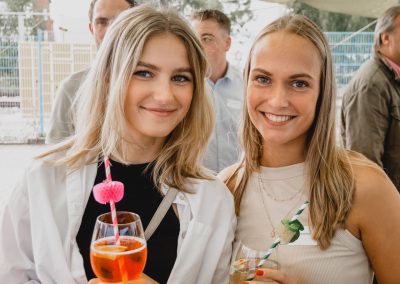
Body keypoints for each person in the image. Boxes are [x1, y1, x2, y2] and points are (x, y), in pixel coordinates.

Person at [0, 6, 236, 284]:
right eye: (144, 73)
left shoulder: (213, 200)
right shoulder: (43, 178)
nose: (164, 94)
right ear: (109, 77)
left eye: (180, 78)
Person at [219, 14, 400, 283]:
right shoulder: (225, 188)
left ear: (322, 92)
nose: (278, 100)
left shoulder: (366, 187)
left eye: (299, 83)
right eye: (263, 79)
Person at [46, 0, 136, 144]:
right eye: (101, 22)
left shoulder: (154, 86)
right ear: (91, 28)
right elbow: (55, 158)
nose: (111, 30)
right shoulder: (71, 89)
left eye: (121, 21)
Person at [341, 5, 400, 191]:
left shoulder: (391, 80)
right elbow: (365, 164)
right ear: (385, 37)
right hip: (386, 206)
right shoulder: (372, 85)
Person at [191, 9, 244, 173]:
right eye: (194, 39)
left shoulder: (246, 87)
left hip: (237, 181)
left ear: (227, 43)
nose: (198, 47)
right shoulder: (185, 86)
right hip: (196, 184)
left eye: (206, 39)